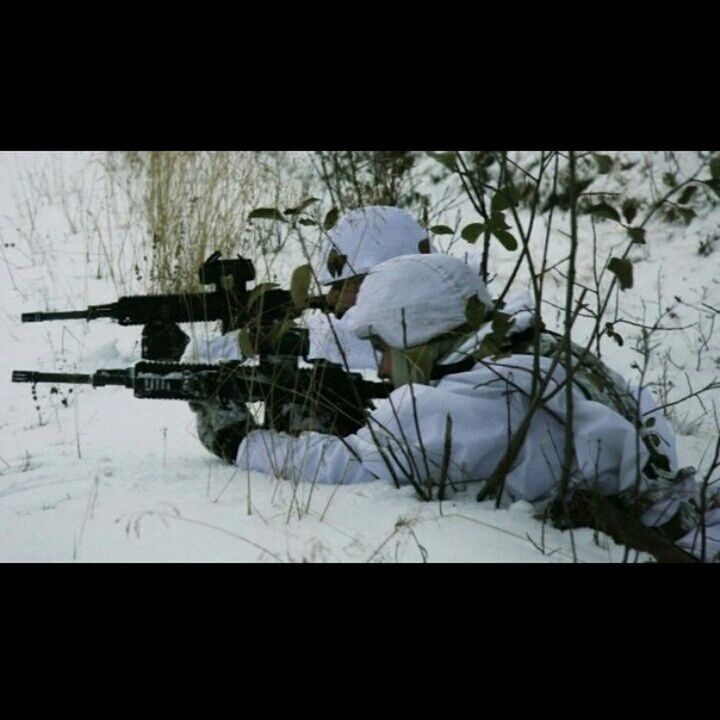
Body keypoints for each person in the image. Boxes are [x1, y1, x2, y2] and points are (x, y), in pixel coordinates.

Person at [234, 253, 720, 562]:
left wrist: (236, 438)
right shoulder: (543, 353)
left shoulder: (457, 404)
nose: (382, 368)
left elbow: (345, 466)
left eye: (383, 347)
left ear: (419, 335)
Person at [183, 206, 435, 460]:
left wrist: (241, 444)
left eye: (341, 285)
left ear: (384, 282)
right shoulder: (438, 328)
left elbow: (201, 354)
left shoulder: (344, 335)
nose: (331, 296)